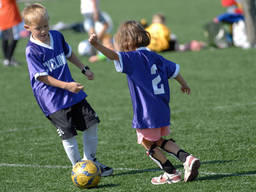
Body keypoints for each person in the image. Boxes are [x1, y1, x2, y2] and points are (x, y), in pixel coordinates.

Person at [89, 21, 200, 184]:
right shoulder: (155, 56)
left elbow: (113, 55)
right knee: (158, 140)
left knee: (146, 142)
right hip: (162, 107)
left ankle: (170, 173)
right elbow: (175, 71)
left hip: (146, 111)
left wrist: (96, 44)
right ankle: (187, 158)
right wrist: (184, 85)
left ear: (124, 41)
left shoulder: (132, 58)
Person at [22, 3, 113, 176]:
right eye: (38, 28)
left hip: (72, 92)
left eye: (45, 26)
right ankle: (79, 169)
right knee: (69, 135)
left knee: (91, 123)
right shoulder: (31, 50)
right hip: (52, 99)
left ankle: (91, 162)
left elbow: (68, 53)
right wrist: (67, 86)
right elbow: (42, 77)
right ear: (27, 28)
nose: (43, 31)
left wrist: (83, 69)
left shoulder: (56, 36)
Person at [0, 0, 22, 66]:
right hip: (10, 16)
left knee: (5, 38)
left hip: (3, 15)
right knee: (15, 37)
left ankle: (7, 59)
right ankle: (8, 59)